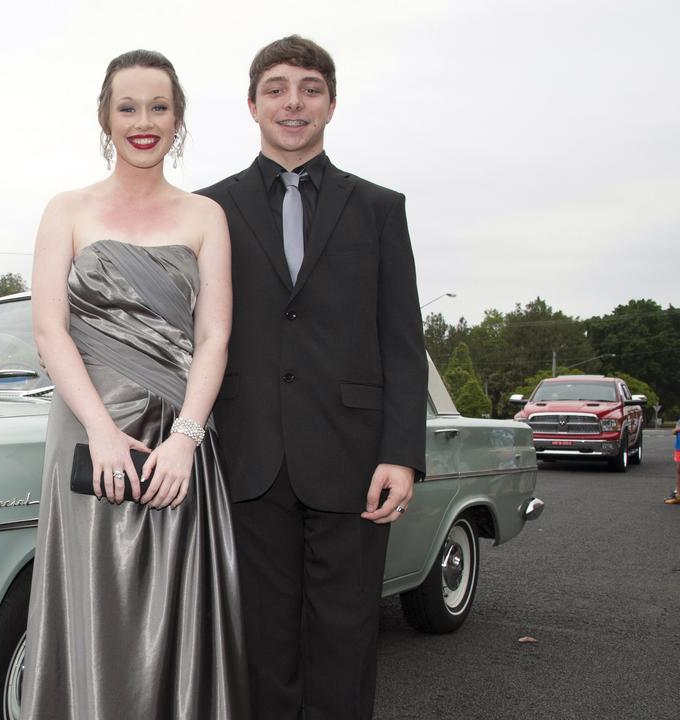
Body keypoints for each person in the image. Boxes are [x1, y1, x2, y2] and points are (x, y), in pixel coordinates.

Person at [197, 35, 427, 719]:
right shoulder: (208, 210)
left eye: (309, 88)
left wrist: (401, 454)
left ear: (330, 102)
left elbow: (402, 340)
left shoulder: (379, 209)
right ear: (252, 103)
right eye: (276, 88)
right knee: (260, 644)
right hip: (246, 457)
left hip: (355, 460)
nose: (292, 102)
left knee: (348, 637)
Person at [20, 49, 247, 719]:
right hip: (91, 433)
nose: (143, 122)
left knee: (173, 610)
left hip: (179, 436)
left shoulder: (206, 216)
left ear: (178, 121)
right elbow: (49, 332)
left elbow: (214, 338)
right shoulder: (66, 210)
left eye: (159, 107)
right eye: (128, 107)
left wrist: (186, 439)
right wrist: (99, 430)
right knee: (96, 602)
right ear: (104, 117)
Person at [667, 418, 680, 504]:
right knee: (679, 470)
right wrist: (677, 429)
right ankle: (678, 494)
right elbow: (674, 431)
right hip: (679, 447)